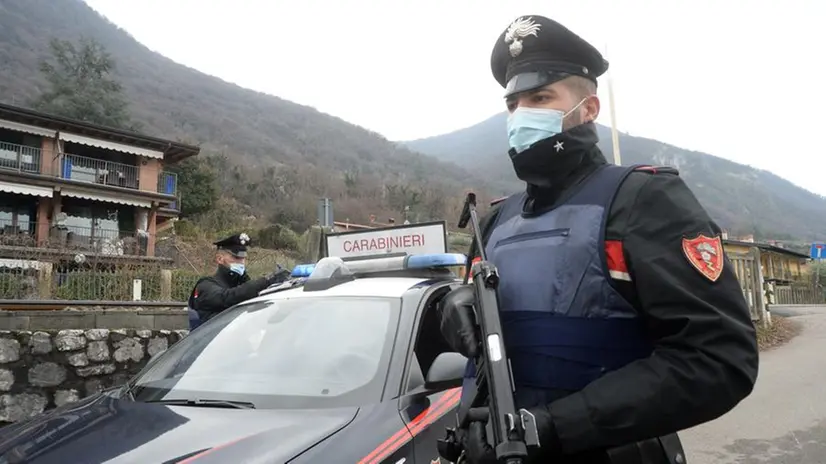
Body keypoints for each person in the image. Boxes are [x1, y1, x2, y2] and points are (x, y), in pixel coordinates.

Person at [437, 14, 759, 464]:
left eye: (541, 97)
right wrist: (449, 308)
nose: (521, 115)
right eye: (513, 104)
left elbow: (719, 361)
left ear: (588, 109)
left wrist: (554, 427)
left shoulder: (644, 200)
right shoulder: (492, 223)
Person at [188, 232, 290, 329]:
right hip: (211, 345)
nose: (241, 262)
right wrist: (267, 280)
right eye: (236, 257)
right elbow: (227, 297)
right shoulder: (205, 286)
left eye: (243, 258)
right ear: (219, 259)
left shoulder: (243, 283)